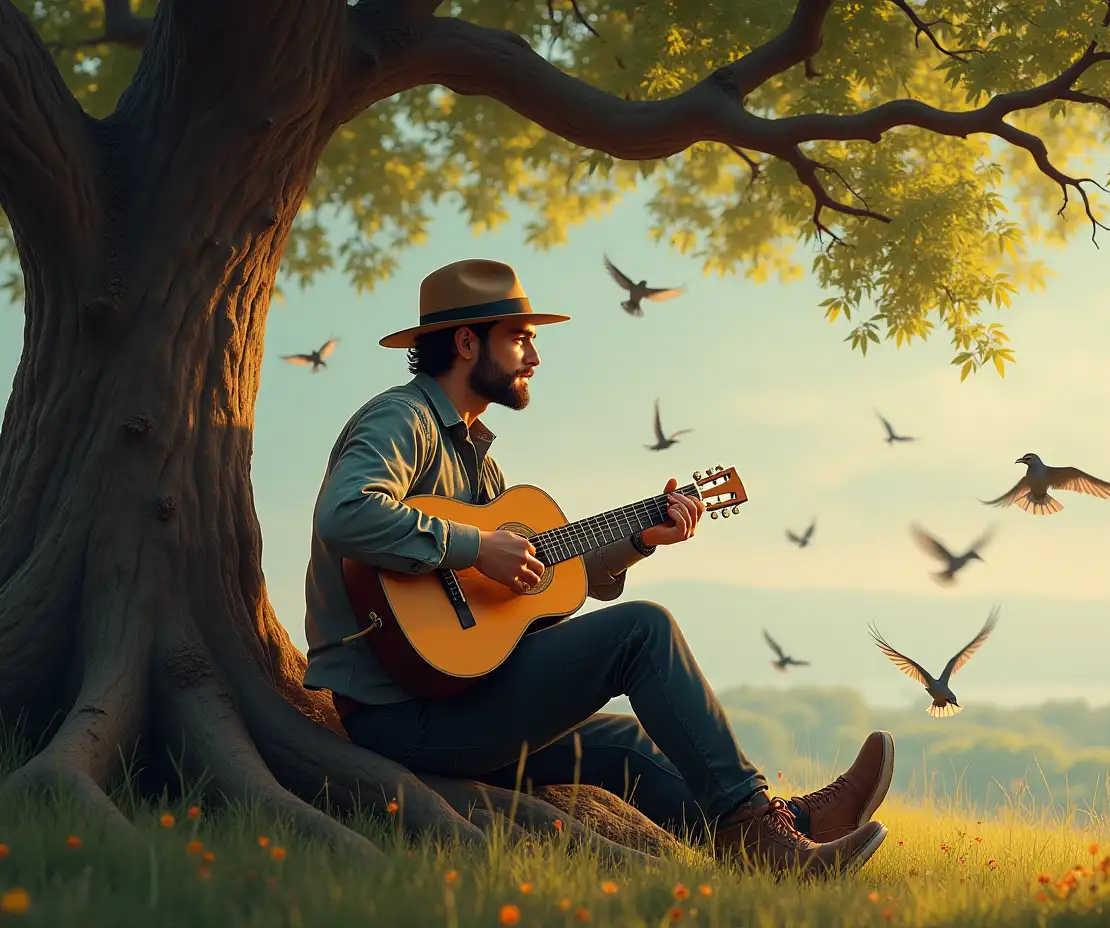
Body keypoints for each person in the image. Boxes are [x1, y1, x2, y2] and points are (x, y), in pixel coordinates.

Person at [302, 258, 895, 877]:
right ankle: (769, 835)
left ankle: (785, 834)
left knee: (626, 747)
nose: (534, 357)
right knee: (643, 630)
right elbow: (344, 514)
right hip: (402, 719)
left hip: (460, 700)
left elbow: (539, 591)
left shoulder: (479, 463)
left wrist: (637, 541)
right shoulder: (404, 419)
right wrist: (478, 548)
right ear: (467, 341)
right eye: (520, 338)